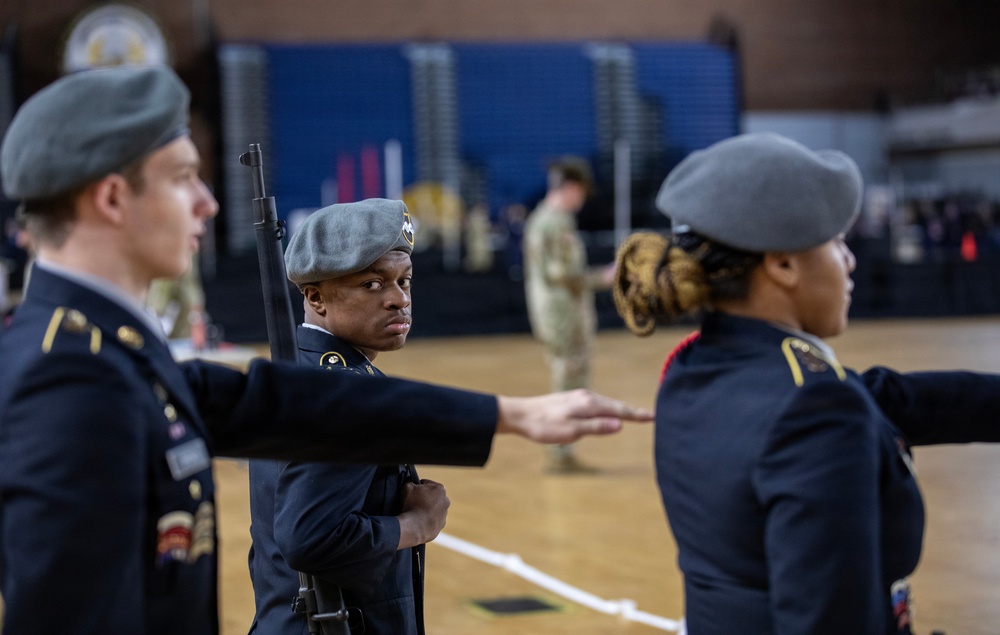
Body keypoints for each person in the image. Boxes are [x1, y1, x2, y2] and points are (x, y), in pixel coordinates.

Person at [0, 65, 651, 635]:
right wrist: (420, 520)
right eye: (182, 180)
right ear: (114, 198)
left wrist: (509, 415)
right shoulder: (65, 378)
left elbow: (277, 398)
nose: (207, 202)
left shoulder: (106, 345)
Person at [612, 132, 1000, 635]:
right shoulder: (814, 407)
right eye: (836, 242)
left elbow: (891, 398)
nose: (850, 260)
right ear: (783, 263)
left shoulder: (696, 371)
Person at [248, 198, 436, 634]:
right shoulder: (344, 390)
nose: (398, 299)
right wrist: (416, 525)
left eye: (404, 280)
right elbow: (309, 538)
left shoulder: (294, 372)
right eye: (372, 284)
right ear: (314, 296)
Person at [523, 157, 614, 472]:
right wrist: (604, 277)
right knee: (568, 381)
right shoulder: (556, 221)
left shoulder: (542, 218)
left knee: (567, 379)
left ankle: (562, 450)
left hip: (554, 311)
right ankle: (560, 452)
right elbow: (565, 274)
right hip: (562, 314)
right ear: (573, 188)